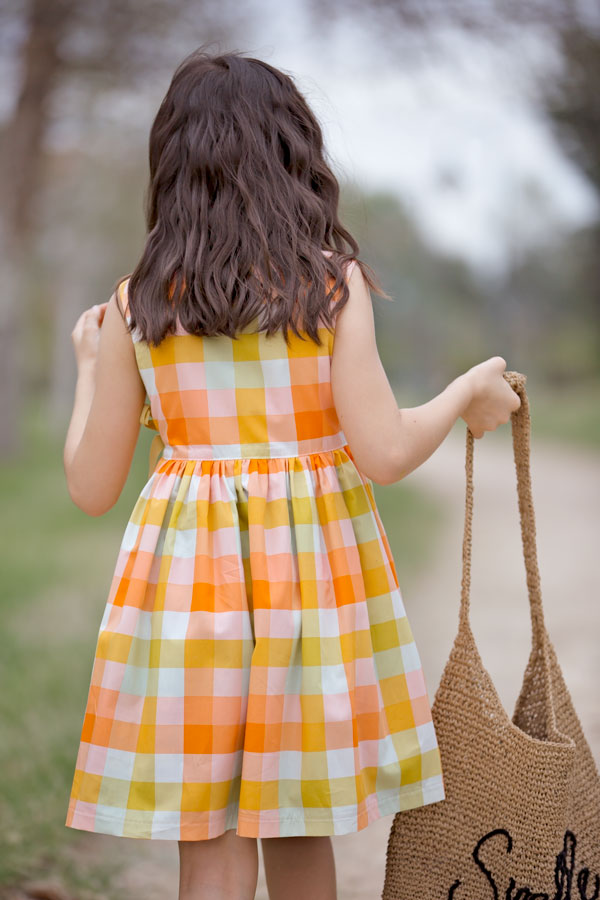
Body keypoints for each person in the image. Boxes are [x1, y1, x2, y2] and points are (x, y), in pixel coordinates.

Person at [62, 47, 521, 900]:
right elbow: (383, 452)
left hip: (184, 594)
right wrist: (466, 389)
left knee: (209, 838)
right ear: (293, 157)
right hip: (311, 590)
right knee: (299, 821)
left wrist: (91, 366)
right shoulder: (329, 289)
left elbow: (91, 487)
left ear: (172, 164)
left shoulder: (139, 306)